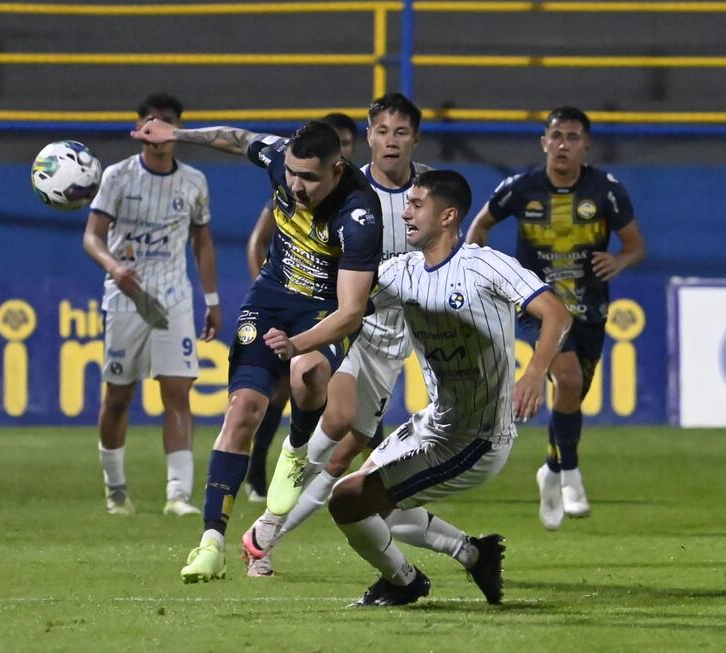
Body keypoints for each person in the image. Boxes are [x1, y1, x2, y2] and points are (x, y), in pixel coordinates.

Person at [276, 170, 572, 606]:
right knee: (369, 501)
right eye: (406, 203)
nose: (406, 212)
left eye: (416, 204)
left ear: (448, 215)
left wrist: (533, 373)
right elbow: (349, 310)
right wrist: (295, 342)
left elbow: (557, 314)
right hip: (434, 422)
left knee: (349, 498)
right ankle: (473, 553)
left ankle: (405, 581)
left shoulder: (485, 266)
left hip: (477, 437)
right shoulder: (401, 272)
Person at [130, 118, 383, 583]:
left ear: (336, 170)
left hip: (323, 311)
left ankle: (296, 448)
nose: (296, 185)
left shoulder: (359, 213)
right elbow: (238, 137)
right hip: (270, 300)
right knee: (242, 410)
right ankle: (210, 544)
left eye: (308, 178)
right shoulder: (280, 158)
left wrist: (297, 344)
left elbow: (350, 312)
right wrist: (177, 135)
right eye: (291, 174)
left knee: (307, 373)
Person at [242, 93, 429, 577]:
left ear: (414, 139)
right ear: (366, 138)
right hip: (341, 321)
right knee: (337, 418)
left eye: (401, 132)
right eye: (382, 131)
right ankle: (266, 532)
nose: (390, 141)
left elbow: (440, 256)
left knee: (351, 446)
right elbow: (278, 224)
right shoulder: (339, 187)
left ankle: (264, 532)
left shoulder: (427, 194)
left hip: (393, 334)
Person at [465, 106, 645, 531]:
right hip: (539, 303)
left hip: (590, 307)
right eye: (557, 136)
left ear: (586, 145)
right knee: (566, 379)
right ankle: (572, 475)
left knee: (572, 393)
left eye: (573, 137)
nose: (564, 144)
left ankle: (551, 468)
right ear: (544, 142)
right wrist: (484, 272)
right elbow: (480, 227)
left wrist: (619, 260)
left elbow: (635, 244)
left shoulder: (606, 190)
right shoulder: (521, 188)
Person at [83, 92, 222, 517]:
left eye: (166, 121)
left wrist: (212, 300)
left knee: (178, 392)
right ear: (140, 128)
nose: (157, 128)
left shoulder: (194, 181)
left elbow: (202, 241)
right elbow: (92, 236)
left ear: (178, 129)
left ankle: (178, 494)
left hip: (174, 298)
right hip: (127, 299)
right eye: (150, 120)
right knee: (119, 397)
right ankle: (116, 488)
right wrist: (115, 268)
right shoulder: (118, 177)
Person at [244, 113, 359, 503]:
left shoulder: (359, 202)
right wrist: (269, 294)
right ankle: (261, 470)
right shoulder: (296, 189)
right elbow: (258, 240)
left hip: (350, 310)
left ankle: (308, 474)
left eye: (347, 142)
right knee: (282, 390)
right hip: (303, 308)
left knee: (351, 413)